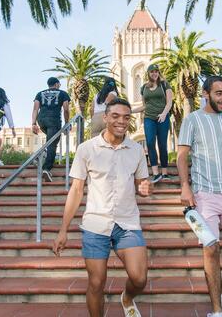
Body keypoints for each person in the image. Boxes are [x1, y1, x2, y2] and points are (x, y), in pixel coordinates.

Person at [52, 98, 152, 317]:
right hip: (95, 224)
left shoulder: (136, 150)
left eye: (126, 117)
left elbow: (141, 182)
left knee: (139, 278)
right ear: (105, 117)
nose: (121, 121)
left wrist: (144, 187)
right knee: (96, 283)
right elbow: (76, 190)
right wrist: (63, 230)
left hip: (127, 222)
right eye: (115, 116)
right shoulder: (87, 149)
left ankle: (127, 297)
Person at [177, 76, 222, 317]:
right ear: (206, 93)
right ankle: (217, 310)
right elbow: (181, 156)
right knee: (210, 247)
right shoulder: (192, 120)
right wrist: (185, 187)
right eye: (219, 93)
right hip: (204, 193)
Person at [132, 64, 173, 184]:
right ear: (148, 74)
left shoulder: (165, 84)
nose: (154, 74)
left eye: (156, 71)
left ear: (158, 73)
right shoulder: (144, 87)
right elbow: (144, 105)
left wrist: (164, 114)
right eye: (152, 72)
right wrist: (129, 110)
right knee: (150, 143)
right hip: (149, 118)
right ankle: (156, 173)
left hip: (162, 118)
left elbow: (169, 102)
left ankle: (164, 172)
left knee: (162, 144)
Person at [31, 77, 70, 182]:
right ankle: (46, 169)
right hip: (54, 120)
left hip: (41, 120)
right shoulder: (63, 93)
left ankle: (40, 155)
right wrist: (67, 123)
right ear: (57, 84)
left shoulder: (40, 93)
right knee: (52, 144)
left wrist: (33, 123)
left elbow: (35, 108)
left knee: (51, 140)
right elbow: (66, 109)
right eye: (59, 84)